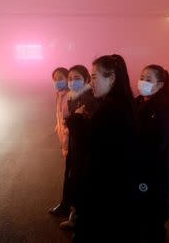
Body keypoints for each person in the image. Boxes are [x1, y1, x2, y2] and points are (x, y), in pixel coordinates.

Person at [73, 54, 137, 242]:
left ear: (112, 78)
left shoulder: (113, 110)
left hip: (105, 194)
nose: (91, 82)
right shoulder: (121, 104)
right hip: (114, 191)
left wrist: (77, 121)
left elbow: (94, 148)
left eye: (94, 77)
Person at [134, 64, 169, 242]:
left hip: (153, 170)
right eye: (142, 77)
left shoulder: (163, 107)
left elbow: (158, 144)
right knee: (141, 211)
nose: (143, 82)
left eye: (148, 79)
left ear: (159, 85)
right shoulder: (139, 101)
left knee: (153, 212)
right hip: (139, 167)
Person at [59, 65, 99, 230]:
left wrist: (72, 118)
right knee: (73, 178)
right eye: (70, 78)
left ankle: (80, 220)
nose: (72, 82)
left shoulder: (89, 97)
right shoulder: (72, 96)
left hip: (84, 148)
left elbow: (80, 123)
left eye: (77, 78)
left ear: (86, 79)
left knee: (81, 181)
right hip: (74, 145)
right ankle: (74, 214)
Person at [49, 67, 71, 216]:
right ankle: (68, 206)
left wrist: (66, 144)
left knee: (70, 177)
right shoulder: (59, 95)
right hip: (64, 143)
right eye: (55, 78)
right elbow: (61, 118)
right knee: (69, 176)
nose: (57, 81)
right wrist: (58, 127)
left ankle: (69, 208)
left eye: (60, 77)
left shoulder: (71, 96)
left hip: (71, 144)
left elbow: (71, 123)